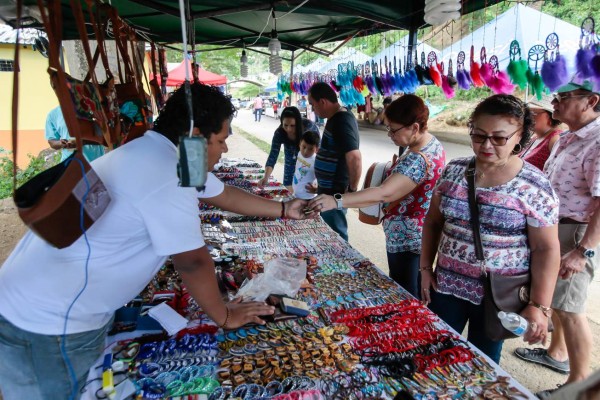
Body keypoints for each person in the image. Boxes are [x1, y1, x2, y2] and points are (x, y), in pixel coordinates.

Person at [0, 83, 312, 400]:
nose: (225, 150)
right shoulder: (167, 171)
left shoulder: (158, 151)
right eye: (221, 140)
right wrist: (226, 316)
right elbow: (192, 261)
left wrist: (284, 209)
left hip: (54, 308)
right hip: (46, 324)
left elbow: (224, 194)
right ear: (195, 135)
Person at [420, 94, 561, 364]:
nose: (486, 145)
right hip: (447, 285)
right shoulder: (454, 170)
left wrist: (539, 305)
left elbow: (546, 248)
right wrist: (426, 268)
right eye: (478, 135)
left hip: (498, 296)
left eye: (499, 138)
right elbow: (434, 221)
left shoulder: (535, 185)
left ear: (520, 137)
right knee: (434, 353)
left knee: (481, 365)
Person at [308, 95, 445, 297]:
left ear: (415, 128)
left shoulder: (417, 158)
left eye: (393, 129)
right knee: (408, 290)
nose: (389, 134)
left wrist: (336, 200)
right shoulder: (430, 144)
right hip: (413, 236)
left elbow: (384, 193)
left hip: (407, 240)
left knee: (406, 293)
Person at [516, 80, 600, 398]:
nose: (555, 102)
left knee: (570, 309)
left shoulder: (597, 140)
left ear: (591, 100)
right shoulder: (569, 136)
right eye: (557, 96)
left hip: (575, 231)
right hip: (557, 227)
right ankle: (557, 354)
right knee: (562, 302)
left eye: (564, 97)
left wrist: (583, 250)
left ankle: (580, 389)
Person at [308, 82, 362, 241]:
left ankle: (344, 264)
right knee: (330, 233)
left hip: (335, 192)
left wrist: (352, 190)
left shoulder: (341, 120)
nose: (312, 109)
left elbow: (354, 157)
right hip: (329, 190)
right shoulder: (336, 118)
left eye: (313, 104)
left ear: (323, 102)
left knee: (336, 236)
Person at [259, 106, 319, 190]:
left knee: (306, 192)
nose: (288, 129)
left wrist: (319, 180)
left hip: (308, 166)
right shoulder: (279, 133)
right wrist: (266, 177)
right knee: (288, 193)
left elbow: (319, 152)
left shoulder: (309, 127)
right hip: (289, 165)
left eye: (292, 125)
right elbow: (273, 156)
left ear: (298, 123)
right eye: (285, 125)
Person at [520, 95, 562, 170]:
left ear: (550, 116)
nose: (528, 117)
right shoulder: (535, 137)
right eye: (527, 113)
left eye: (533, 113)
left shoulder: (555, 139)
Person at [293, 130, 320, 200]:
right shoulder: (299, 153)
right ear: (300, 144)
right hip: (296, 193)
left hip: (308, 197)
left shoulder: (316, 161)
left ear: (316, 149)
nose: (305, 152)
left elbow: (322, 179)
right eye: (304, 147)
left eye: (310, 149)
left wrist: (317, 189)